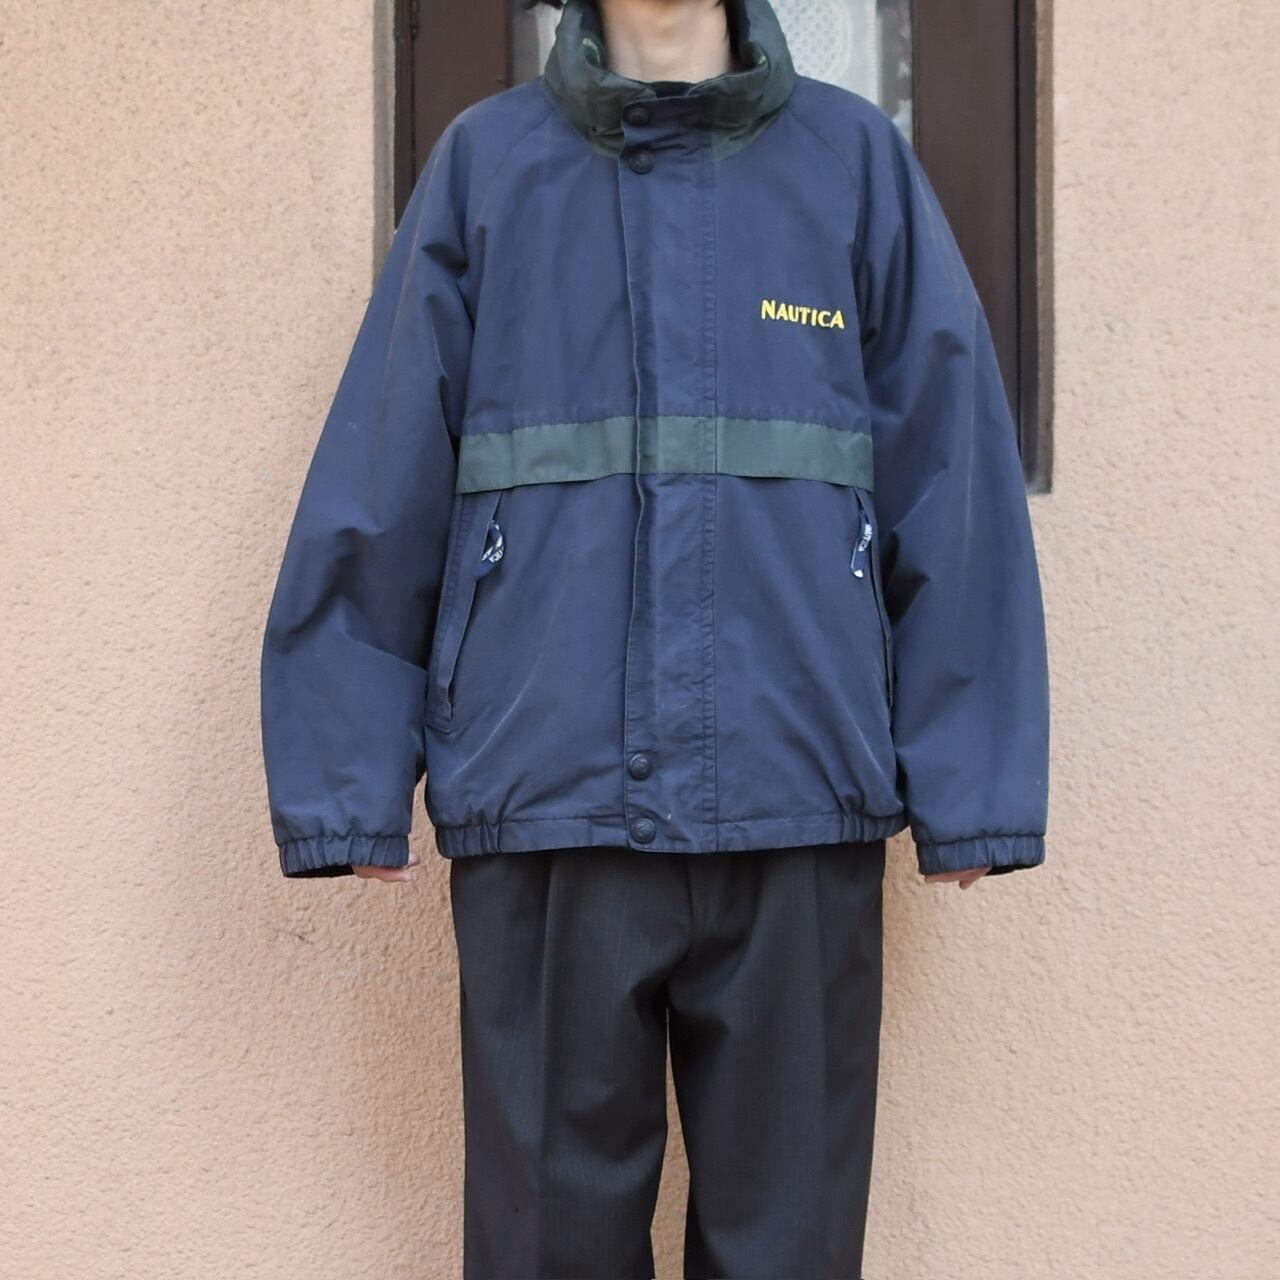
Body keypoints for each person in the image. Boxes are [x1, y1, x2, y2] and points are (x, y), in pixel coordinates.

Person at [259, 0, 1050, 1274]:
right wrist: (344, 776)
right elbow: (383, 465)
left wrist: (973, 786)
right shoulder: (486, 166)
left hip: (796, 797)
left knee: (787, 1248)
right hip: (546, 800)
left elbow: (950, 475)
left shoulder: (851, 165)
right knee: (544, 1246)